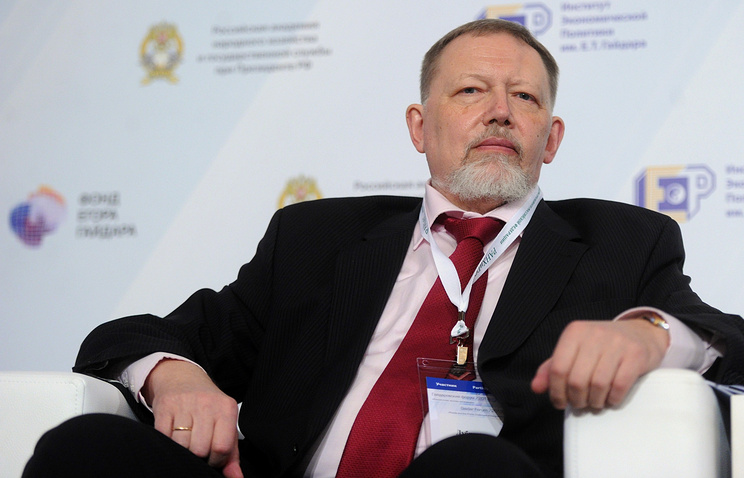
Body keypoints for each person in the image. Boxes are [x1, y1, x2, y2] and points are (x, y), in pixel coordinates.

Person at [23, 18, 744, 478]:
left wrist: (649, 335)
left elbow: (730, 344)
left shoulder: (621, 242)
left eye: (525, 98)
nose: (500, 111)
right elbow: (128, 337)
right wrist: (175, 376)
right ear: (419, 127)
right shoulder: (315, 240)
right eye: (471, 90)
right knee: (84, 450)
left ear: (551, 140)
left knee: (471, 466)